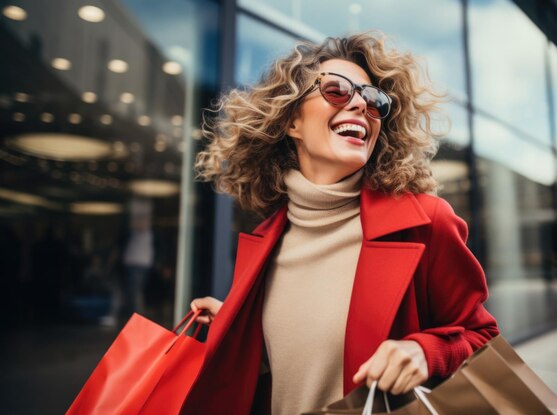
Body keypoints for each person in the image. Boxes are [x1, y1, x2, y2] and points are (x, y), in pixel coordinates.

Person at [182, 32, 499, 415]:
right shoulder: (265, 239)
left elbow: (483, 338)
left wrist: (424, 351)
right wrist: (241, 331)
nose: (361, 106)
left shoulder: (426, 221)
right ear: (291, 122)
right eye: (336, 90)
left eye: (373, 100)